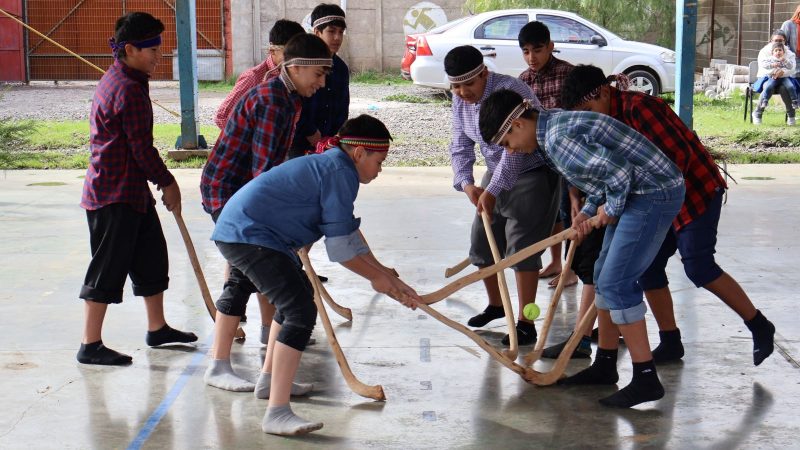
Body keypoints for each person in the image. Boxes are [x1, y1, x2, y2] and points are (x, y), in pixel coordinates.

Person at [211, 114, 420, 435]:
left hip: (246, 229)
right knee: (300, 310)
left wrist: (386, 275)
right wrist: (376, 279)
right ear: (360, 153)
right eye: (380, 160)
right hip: (250, 233)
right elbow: (339, 249)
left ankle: (269, 381)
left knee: (292, 300)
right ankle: (277, 413)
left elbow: (348, 234)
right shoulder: (340, 172)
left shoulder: (336, 166)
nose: (380, 169)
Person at [479, 88, 685, 408]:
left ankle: (646, 378)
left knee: (617, 283)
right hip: (637, 189)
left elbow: (619, 174)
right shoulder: (550, 131)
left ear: (517, 124)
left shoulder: (558, 140)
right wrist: (587, 213)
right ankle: (604, 364)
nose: (512, 150)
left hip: (652, 191)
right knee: (603, 274)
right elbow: (602, 175)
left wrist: (610, 211)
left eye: (507, 143)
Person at [561, 64, 776, 367]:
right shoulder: (603, 125)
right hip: (654, 204)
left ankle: (759, 325)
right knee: (646, 269)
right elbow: (610, 174)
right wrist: (590, 208)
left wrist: (627, 197)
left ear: (605, 92)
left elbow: (679, 158)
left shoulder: (641, 109)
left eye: (590, 108)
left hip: (694, 192)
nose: (590, 119)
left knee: (698, 266)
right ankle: (671, 341)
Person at [200, 33, 332, 392]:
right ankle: (218, 365)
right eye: (318, 75)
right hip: (230, 194)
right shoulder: (274, 99)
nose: (321, 84)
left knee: (252, 276)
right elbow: (264, 173)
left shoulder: (288, 97)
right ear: (296, 67)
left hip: (246, 194)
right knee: (243, 277)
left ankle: (270, 376)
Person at [77, 12, 197, 366]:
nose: (159, 57)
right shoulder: (127, 89)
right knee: (107, 268)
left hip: (131, 191)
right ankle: (90, 344)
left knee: (151, 257)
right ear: (129, 49)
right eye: (152, 50)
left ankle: (157, 328)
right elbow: (141, 148)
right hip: (112, 194)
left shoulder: (129, 76)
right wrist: (168, 181)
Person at [445, 45, 560, 346]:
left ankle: (525, 322)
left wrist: (493, 190)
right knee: (481, 242)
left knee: (523, 248)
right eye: (455, 86)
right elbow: (459, 145)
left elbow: (517, 148)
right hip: (494, 172)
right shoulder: (459, 101)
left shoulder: (512, 90)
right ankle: (497, 305)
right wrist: (466, 183)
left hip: (532, 171)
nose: (462, 92)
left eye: (469, 84)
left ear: (484, 73)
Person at [211, 19, 305, 335]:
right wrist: (242, 136)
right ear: (274, 52)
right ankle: (226, 339)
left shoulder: (289, 91)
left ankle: (267, 334)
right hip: (232, 187)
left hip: (252, 187)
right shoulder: (258, 84)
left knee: (255, 267)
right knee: (247, 267)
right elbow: (223, 115)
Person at [517, 21, 578, 289]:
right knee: (552, 213)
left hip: (569, 158)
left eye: (538, 50)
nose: (532, 58)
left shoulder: (569, 75)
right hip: (540, 159)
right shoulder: (523, 81)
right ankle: (555, 261)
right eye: (526, 51)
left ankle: (573, 268)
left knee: (570, 209)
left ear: (551, 47)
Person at [213, 19, 305, 129]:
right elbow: (222, 117)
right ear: (272, 51)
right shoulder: (253, 78)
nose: (295, 61)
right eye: (290, 54)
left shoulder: (297, 77)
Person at [288, 3, 350, 159]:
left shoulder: (341, 68)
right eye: (331, 31)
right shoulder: (302, 64)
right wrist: (310, 131)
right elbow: (293, 104)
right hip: (297, 145)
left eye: (341, 32)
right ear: (317, 32)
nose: (337, 37)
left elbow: (342, 109)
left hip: (327, 145)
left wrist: (331, 139)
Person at [754, 30, 798, 125]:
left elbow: (792, 68)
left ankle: (791, 116)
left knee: (784, 88)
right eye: (776, 40)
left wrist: (783, 72)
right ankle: (757, 113)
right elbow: (762, 67)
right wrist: (774, 72)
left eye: (781, 40)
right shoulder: (764, 52)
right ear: (771, 41)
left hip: (784, 78)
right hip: (767, 77)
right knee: (768, 86)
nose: (778, 42)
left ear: (784, 41)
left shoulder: (789, 53)